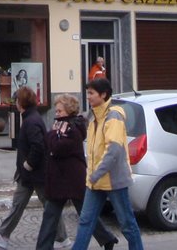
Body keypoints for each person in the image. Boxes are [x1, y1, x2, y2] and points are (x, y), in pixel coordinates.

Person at [0, 86, 69, 250]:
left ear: (20, 103)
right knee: (20, 204)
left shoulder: (31, 121)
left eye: (16, 100)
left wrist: (28, 164)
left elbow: (38, 146)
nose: (15, 103)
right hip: (31, 175)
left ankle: (62, 237)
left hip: (35, 173)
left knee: (49, 205)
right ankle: (3, 235)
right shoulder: (32, 118)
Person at [36, 94, 118, 250]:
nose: (56, 114)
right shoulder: (62, 126)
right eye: (56, 111)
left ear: (69, 110)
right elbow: (52, 143)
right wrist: (52, 136)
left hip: (73, 178)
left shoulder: (74, 128)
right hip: (59, 178)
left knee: (84, 213)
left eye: (59, 111)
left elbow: (56, 147)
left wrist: (51, 135)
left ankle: (107, 238)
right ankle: (43, 247)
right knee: (50, 215)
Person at [71, 78, 144, 250]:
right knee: (85, 221)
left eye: (91, 93)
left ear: (103, 95)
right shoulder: (94, 117)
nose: (87, 97)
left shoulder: (113, 116)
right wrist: (92, 175)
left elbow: (114, 151)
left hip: (113, 180)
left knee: (127, 224)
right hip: (95, 181)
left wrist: (95, 173)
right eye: (87, 93)